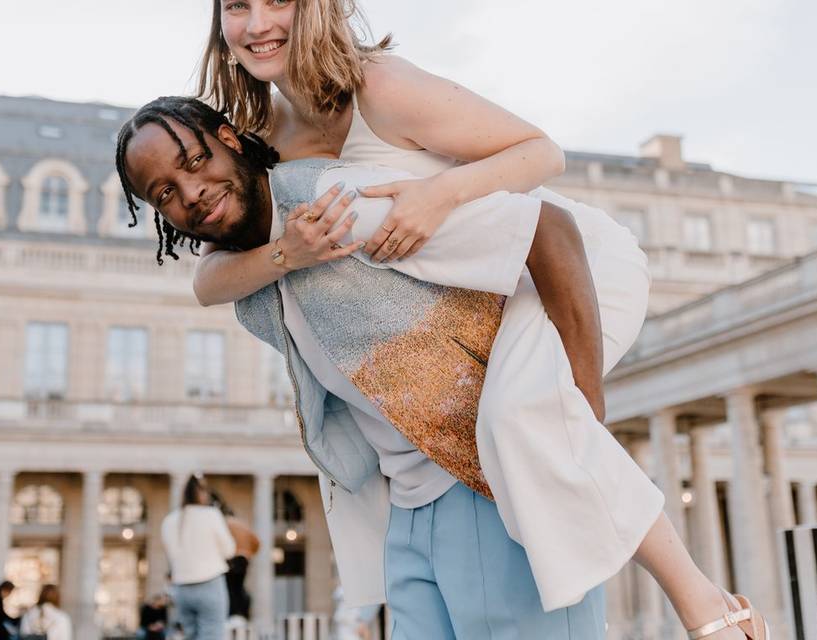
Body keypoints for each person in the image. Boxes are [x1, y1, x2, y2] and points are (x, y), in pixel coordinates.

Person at [194, 3, 772, 639]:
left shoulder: (379, 86)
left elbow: (540, 152)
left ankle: (706, 605)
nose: (255, 24)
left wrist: (439, 195)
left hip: (566, 263)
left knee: (519, 414)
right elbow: (209, 277)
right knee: (520, 416)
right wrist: (287, 254)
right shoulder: (262, 141)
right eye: (236, 5)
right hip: (491, 289)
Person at [161, 474, 236, 640]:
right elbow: (229, 550)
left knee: (190, 636)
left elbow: (171, 555)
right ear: (202, 493)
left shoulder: (169, 521)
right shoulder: (211, 515)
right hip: (209, 584)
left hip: (181, 587)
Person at [222, 511, 259, 621]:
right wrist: (249, 553)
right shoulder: (244, 526)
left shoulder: (226, 523)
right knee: (239, 586)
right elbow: (257, 542)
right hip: (244, 559)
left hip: (231, 559)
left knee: (230, 587)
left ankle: (232, 613)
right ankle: (242, 613)